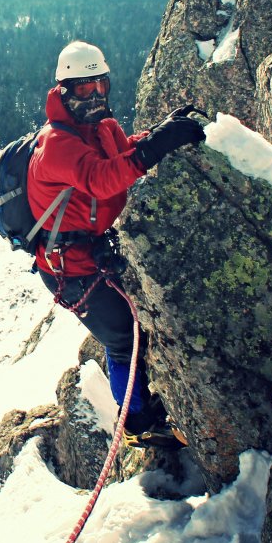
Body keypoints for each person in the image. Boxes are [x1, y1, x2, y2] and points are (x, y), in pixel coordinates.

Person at [29, 40, 204, 446]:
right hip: (68, 270)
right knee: (123, 337)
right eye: (84, 90)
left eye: (100, 87)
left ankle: (144, 402)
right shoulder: (57, 145)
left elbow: (121, 154)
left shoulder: (102, 127)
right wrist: (158, 146)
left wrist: (158, 135)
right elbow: (101, 178)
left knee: (140, 322)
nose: (95, 97)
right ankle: (137, 424)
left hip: (91, 252)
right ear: (64, 92)